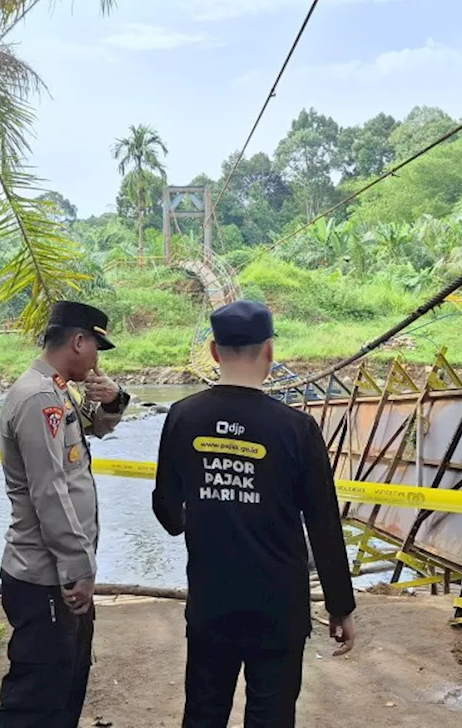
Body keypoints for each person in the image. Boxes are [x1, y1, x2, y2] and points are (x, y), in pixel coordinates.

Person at [153, 300, 357, 727]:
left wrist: (202, 519)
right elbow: (323, 524)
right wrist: (340, 605)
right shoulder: (296, 428)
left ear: (213, 351)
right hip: (278, 605)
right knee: (272, 714)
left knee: (205, 711)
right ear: (269, 351)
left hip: (211, 599)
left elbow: (167, 508)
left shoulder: (183, 416)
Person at [0, 301, 131, 728]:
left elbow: (93, 428)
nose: (96, 361)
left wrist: (115, 399)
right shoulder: (39, 397)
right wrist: (79, 567)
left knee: (66, 683)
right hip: (46, 575)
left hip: (58, 574)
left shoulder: (56, 389)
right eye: (96, 349)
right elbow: (50, 491)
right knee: (36, 696)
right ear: (78, 341)